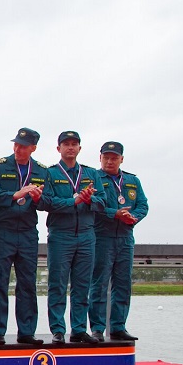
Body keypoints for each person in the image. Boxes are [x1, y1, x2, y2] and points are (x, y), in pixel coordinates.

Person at [40, 131, 105, 344]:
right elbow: (45, 202)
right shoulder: (50, 173)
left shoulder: (91, 174)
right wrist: (73, 201)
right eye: (66, 144)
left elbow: (103, 202)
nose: (70, 147)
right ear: (58, 148)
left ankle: (78, 329)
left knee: (82, 285)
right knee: (57, 284)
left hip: (87, 235)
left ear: (79, 148)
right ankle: (58, 330)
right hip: (61, 235)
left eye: (74, 144)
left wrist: (89, 199)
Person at [0, 128, 49, 345]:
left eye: (23, 146)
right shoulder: (0, 165)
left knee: (27, 283)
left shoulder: (41, 171)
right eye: (16, 144)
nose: (18, 149)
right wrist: (15, 195)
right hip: (3, 230)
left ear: (33, 148)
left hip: (28, 232)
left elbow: (48, 202)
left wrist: (38, 199)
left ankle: (27, 332)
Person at [89, 141, 148, 341]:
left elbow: (143, 205)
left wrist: (134, 217)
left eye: (114, 158)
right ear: (100, 158)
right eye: (106, 157)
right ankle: (97, 328)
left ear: (121, 159)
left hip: (125, 238)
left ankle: (118, 327)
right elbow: (93, 206)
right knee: (99, 284)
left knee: (123, 283)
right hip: (102, 237)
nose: (109, 161)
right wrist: (115, 214)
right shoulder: (93, 178)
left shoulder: (132, 180)